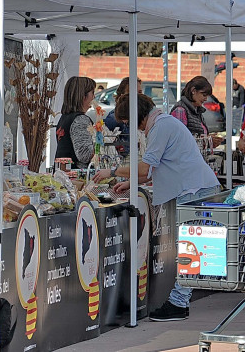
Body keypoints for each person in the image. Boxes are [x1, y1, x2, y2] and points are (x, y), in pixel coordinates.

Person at [94, 93, 220, 321]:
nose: (129, 127)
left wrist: (112, 172)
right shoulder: (163, 123)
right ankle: (179, 300)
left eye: (127, 122)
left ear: (137, 117)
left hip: (192, 190)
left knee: (190, 249)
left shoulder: (161, 127)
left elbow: (144, 168)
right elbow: (153, 170)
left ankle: (179, 302)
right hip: (195, 188)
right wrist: (129, 182)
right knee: (193, 248)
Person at [55, 76, 96, 169]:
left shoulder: (64, 118)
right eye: (92, 93)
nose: (94, 97)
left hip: (62, 173)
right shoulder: (80, 120)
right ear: (83, 96)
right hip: (77, 176)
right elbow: (85, 155)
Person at [171, 76, 220, 146]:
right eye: (204, 95)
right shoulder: (180, 111)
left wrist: (208, 139)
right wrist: (206, 140)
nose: (206, 99)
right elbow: (179, 140)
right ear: (193, 91)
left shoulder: (197, 111)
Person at [104, 77, 142, 153]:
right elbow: (104, 141)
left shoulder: (139, 115)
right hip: (123, 162)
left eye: (140, 92)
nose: (138, 96)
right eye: (133, 92)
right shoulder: (114, 117)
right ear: (122, 95)